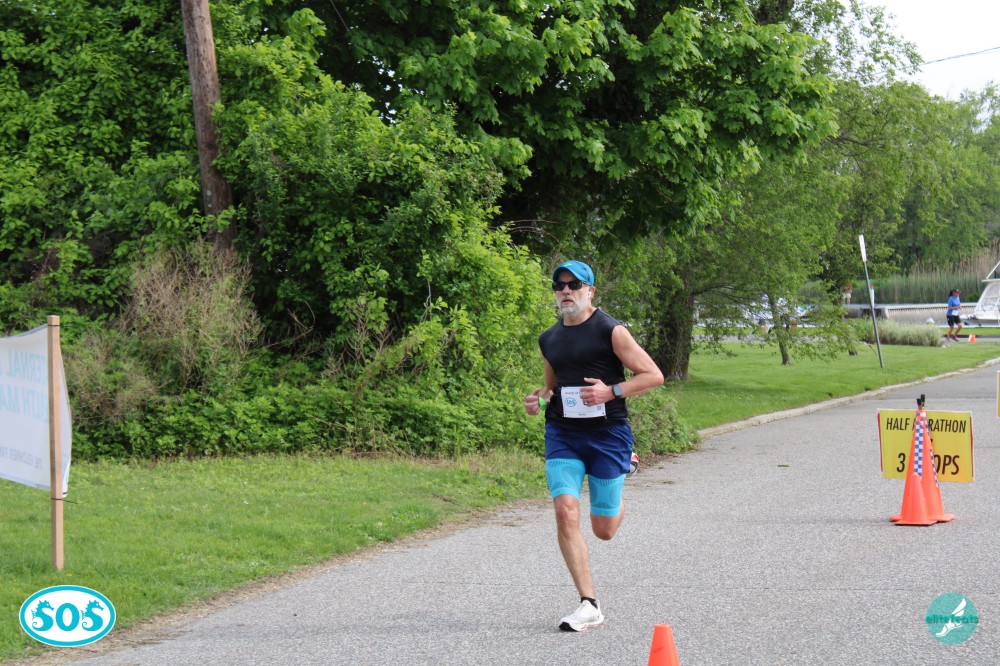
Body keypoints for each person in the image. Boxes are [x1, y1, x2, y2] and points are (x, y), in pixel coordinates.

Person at [523, 260, 664, 632]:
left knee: (604, 530)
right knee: (565, 512)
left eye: (574, 284)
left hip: (607, 435)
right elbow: (551, 386)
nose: (566, 291)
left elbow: (654, 375)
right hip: (563, 435)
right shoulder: (549, 338)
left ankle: (622, 471)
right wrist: (539, 399)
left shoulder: (611, 331)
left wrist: (611, 391)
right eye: (560, 285)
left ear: (590, 291)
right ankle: (589, 604)